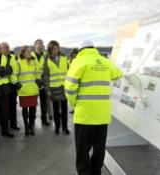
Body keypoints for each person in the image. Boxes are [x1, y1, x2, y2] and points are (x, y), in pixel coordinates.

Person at [65, 40, 123, 175]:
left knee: (82, 149)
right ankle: (96, 172)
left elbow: (69, 88)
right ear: (93, 48)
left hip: (85, 115)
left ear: (80, 50)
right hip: (102, 115)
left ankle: (84, 173)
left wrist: (74, 104)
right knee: (99, 148)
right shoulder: (104, 61)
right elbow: (118, 74)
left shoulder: (78, 62)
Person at [43, 40, 70, 135]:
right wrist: (47, 89)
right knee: (55, 110)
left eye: (57, 48)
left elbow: (69, 72)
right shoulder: (47, 60)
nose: (55, 50)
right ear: (50, 50)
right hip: (53, 88)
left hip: (64, 87)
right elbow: (45, 76)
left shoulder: (64, 58)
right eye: (53, 48)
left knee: (64, 110)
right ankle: (57, 127)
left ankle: (65, 128)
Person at [15, 46, 40, 136]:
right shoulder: (18, 62)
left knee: (33, 109)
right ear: (23, 53)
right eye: (28, 52)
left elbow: (38, 72)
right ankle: (26, 127)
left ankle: (31, 126)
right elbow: (14, 75)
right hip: (24, 90)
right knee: (25, 109)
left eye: (30, 51)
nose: (30, 53)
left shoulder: (34, 61)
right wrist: (17, 84)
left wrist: (38, 79)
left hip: (33, 89)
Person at [1, 42, 20, 130]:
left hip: (13, 84)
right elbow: (2, 71)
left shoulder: (13, 57)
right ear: (1, 48)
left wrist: (16, 81)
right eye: (5, 47)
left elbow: (15, 71)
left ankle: (14, 124)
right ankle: (4, 125)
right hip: (4, 84)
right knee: (5, 108)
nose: (7, 49)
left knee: (13, 106)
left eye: (8, 47)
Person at [31, 39, 50, 126]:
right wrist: (35, 79)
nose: (41, 45)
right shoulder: (30, 55)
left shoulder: (46, 55)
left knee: (44, 102)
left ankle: (44, 119)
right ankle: (32, 118)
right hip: (33, 82)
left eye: (42, 43)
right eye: (39, 43)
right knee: (33, 102)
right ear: (35, 45)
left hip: (43, 82)